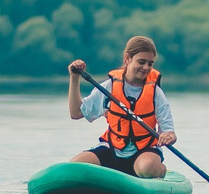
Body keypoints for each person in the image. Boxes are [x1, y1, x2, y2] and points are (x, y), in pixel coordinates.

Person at [67, 35, 174, 177]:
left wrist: (167, 136)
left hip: (145, 150)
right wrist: (74, 78)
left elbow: (169, 132)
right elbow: (76, 113)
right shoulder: (109, 87)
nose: (146, 67)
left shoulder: (156, 93)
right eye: (141, 62)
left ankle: (159, 170)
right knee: (75, 165)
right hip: (113, 148)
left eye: (150, 63)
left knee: (147, 167)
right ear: (127, 58)